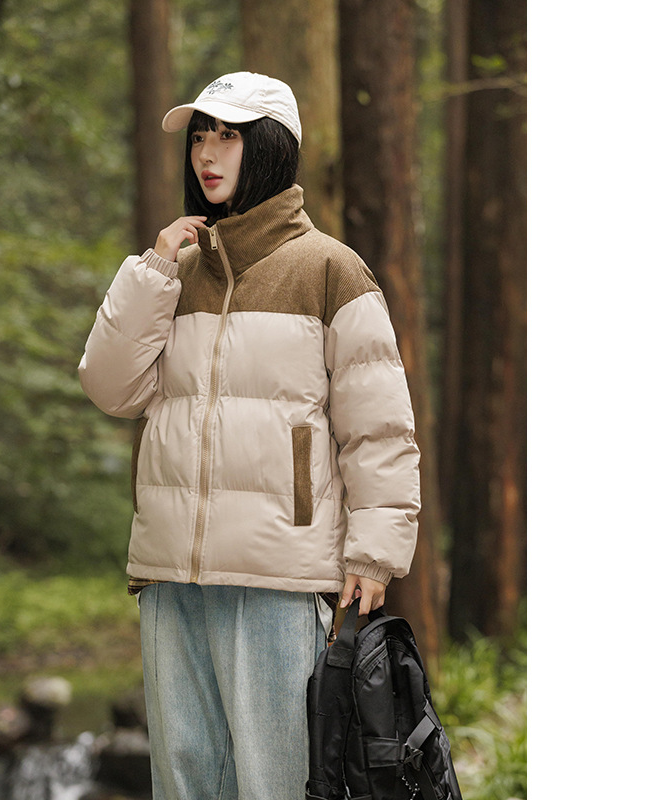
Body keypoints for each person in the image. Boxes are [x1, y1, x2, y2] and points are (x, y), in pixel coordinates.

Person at [78, 71, 421, 800]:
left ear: (268, 147)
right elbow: (111, 388)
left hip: (277, 575)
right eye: (200, 136)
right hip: (172, 576)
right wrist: (152, 270)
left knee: (275, 783)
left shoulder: (331, 269)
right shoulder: (176, 272)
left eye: (227, 136)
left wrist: (375, 553)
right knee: (184, 784)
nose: (207, 153)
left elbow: (379, 428)